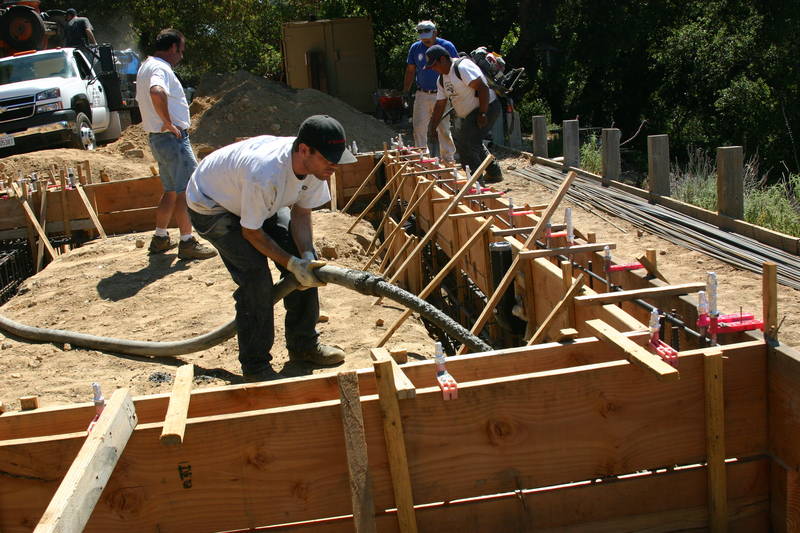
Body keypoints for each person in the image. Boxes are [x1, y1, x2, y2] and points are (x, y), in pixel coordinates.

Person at [185, 115, 355, 382]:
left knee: (307, 264)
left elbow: (301, 214)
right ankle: (255, 366)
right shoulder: (266, 173)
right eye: (328, 159)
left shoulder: (317, 167)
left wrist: (306, 258)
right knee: (256, 279)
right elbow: (251, 232)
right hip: (211, 204)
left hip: (250, 201)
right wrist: (290, 265)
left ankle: (303, 346)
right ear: (303, 150)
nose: (333, 166)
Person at [135, 29, 217, 260]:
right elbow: (156, 91)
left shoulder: (146, 66)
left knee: (171, 190)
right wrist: (169, 123)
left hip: (158, 139)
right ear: (172, 48)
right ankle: (187, 242)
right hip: (172, 138)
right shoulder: (160, 68)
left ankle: (160, 238)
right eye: (181, 50)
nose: (181, 55)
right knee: (186, 190)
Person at [425, 45, 504, 183]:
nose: (433, 69)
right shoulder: (442, 80)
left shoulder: (461, 67)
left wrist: (483, 113)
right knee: (473, 141)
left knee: (465, 144)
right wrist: (432, 127)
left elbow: (483, 87)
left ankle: (475, 183)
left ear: (443, 59)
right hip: (473, 113)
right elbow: (440, 105)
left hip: (487, 107)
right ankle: (494, 173)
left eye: (434, 65)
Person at [402, 20, 457, 162]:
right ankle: (422, 159)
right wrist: (406, 91)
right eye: (423, 38)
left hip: (442, 94)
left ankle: (448, 159)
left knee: (443, 128)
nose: (425, 40)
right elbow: (410, 70)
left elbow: (455, 69)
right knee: (419, 128)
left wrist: (456, 94)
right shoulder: (415, 48)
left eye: (428, 37)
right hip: (422, 93)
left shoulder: (447, 46)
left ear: (435, 32)